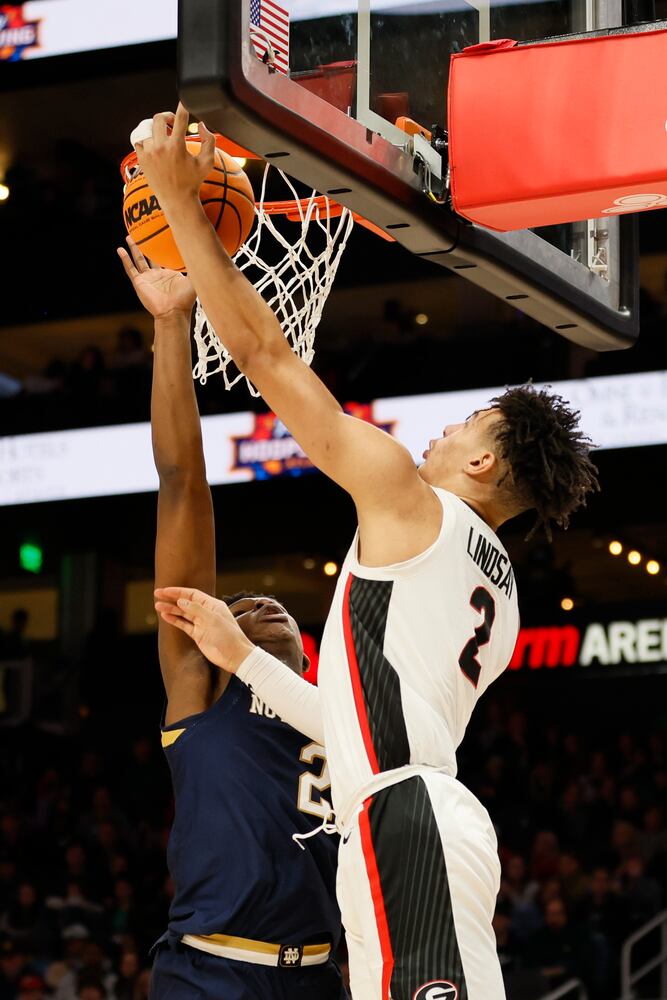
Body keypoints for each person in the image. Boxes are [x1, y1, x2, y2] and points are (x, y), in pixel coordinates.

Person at [140, 104, 599, 1000]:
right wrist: (244, 661)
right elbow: (351, 728)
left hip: (405, 822)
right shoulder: (496, 599)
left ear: (482, 462)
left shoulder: (407, 497)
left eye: (467, 422)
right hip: (407, 814)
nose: (443, 428)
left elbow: (266, 354)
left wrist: (180, 205)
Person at [117, 239, 344, 1000]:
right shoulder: (205, 692)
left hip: (321, 977)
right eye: (238, 610)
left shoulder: (341, 705)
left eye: (267, 606)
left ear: (306, 652)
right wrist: (173, 326)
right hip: (211, 973)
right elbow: (181, 484)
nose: (256, 606)